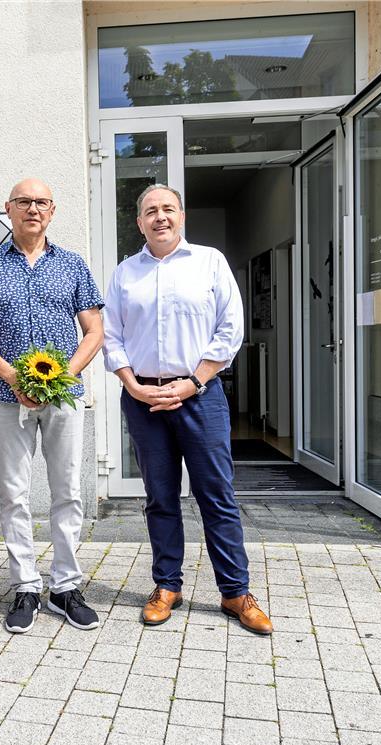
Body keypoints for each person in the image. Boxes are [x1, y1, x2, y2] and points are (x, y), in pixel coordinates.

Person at [102, 183, 273, 635]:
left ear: (181, 216)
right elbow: (111, 336)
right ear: (139, 222)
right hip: (145, 400)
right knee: (160, 498)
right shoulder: (125, 273)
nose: (160, 217)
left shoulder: (210, 262)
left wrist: (195, 380)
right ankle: (166, 586)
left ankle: (236, 592)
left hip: (201, 395)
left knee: (216, 496)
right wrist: (133, 386)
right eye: (150, 211)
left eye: (168, 209)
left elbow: (229, 329)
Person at [0, 178, 105, 634]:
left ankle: (65, 586)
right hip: (7, 398)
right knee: (14, 494)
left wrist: (63, 376)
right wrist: (12, 376)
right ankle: (25, 586)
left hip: (64, 397)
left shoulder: (73, 265)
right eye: (24, 202)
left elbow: (94, 331)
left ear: (52, 210)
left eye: (41, 202)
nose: (33, 209)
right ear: (9, 208)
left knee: (68, 491)